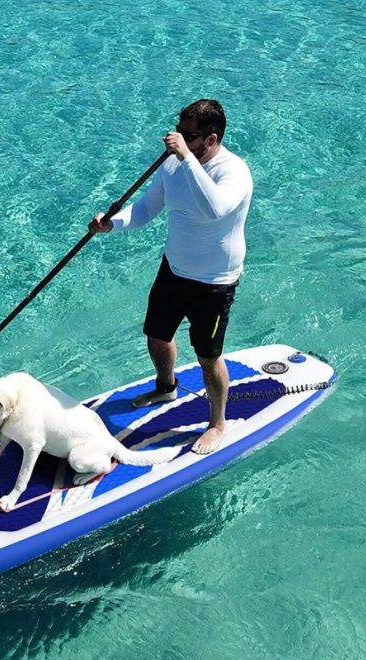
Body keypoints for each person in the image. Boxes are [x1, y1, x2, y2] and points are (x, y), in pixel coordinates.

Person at [89, 99, 253, 455]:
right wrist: (112, 225)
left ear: (211, 139)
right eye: (178, 129)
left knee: (208, 357)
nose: (177, 138)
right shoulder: (174, 166)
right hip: (174, 269)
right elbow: (147, 208)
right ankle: (166, 386)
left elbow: (215, 210)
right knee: (157, 335)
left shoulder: (233, 171)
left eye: (189, 135)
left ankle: (217, 423)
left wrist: (187, 158)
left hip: (214, 282)